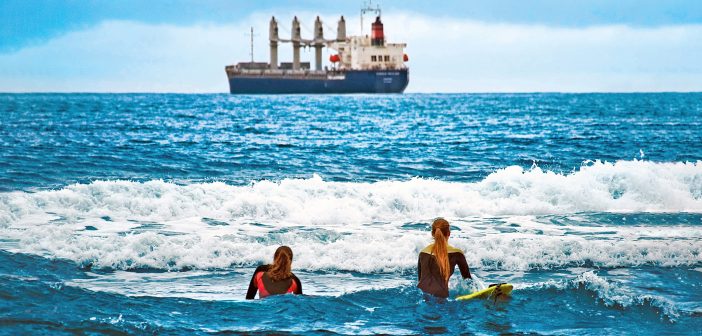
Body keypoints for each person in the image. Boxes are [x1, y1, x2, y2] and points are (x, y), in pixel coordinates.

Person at [417, 218, 472, 298]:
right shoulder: (457, 253)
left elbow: (420, 280)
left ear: (433, 234)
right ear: (449, 233)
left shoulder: (423, 253)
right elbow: (468, 281)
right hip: (441, 297)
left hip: (420, 294)